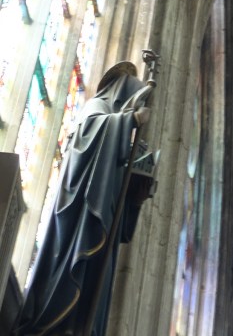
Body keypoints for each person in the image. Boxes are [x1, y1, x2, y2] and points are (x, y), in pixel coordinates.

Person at [14, 61, 154, 336]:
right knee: (71, 274)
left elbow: (121, 221)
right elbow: (89, 138)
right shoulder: (96, 108)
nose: (131, 106)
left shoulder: (117, 135)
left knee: (95, 290)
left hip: (103, 226)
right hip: (80, 216)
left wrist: (135, 200)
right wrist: (130, 121)